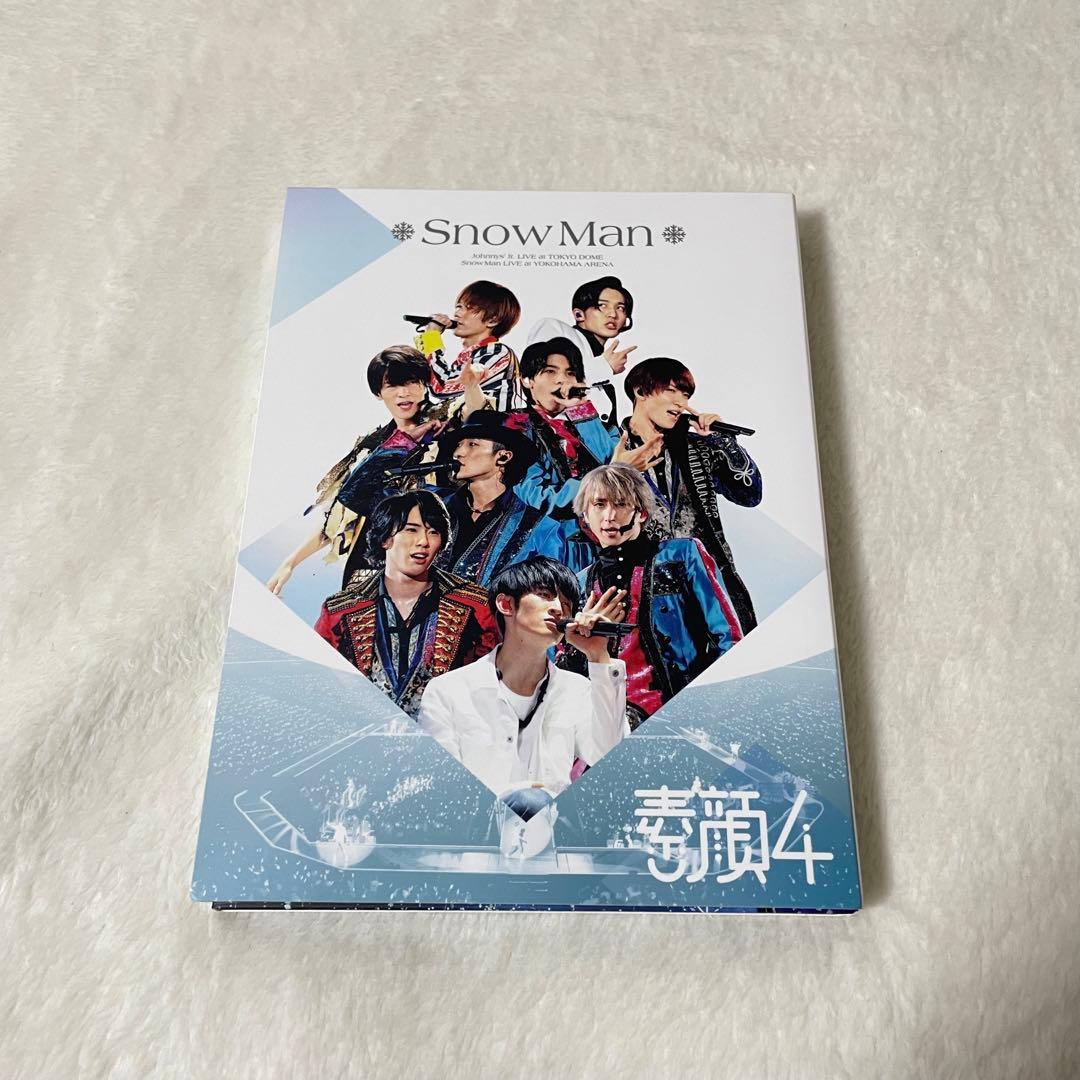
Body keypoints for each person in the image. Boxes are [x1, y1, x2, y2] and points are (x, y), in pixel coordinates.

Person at [417, 558, 629, 815]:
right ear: (506, 604)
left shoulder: (577, 690)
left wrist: (598, 656)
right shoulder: (448, 691)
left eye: (566, 605)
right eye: (544, 595)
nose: (558, 609)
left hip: (550, 833)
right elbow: (442, 788)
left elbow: (610, 755)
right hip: (476, 833)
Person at [566, 464, 743, 730]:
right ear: (585, 517)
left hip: (685, 717)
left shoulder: (682, 554)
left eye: (621, 504)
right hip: (609, 725)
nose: (609, 516)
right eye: (599, 505)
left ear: (642, 512)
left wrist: (711, 709)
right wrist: (580, 642)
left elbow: (729, 637)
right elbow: (566, 675)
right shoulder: (579, 584)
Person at [267, 346, 449, 594]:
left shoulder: (444, 426)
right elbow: (340, 516)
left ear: (425, 384)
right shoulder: (370, 445)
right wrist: (290, 563)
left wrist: (432, 335)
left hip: (426, 562)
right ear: (378, 393)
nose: (403, 393)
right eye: (392, 385)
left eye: (411, 382)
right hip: (368, 564)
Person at [314, 491, 498, 719]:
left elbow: (491, 685)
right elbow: (319, 685)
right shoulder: (340, 610)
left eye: (434, 532)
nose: (424, 542)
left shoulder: (475, 605)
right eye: (411, 530)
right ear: (385, 538)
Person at [619, 356, 763, 632]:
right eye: (671, 391)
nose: (681, 403)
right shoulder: (611, 447)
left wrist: (722, 441)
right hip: (647, 591)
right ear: (640, 391)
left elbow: (750, 494)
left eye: (685, 395)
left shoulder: (698, 448)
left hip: (709, 585)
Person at [434, 410, 568, 586]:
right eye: (459, 444)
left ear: (503, 456)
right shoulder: (435, 507)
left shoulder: (542, 529)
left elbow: (549, 593)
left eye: (472, 444)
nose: (458, 453)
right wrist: (407, 443)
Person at [526, 275, 638, 421]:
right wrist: (604, 367)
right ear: (579, 314)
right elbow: (544, 383)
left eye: (620, 308)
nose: (613, 314)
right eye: (602, 306)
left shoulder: (600, 361)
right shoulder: (555, 329)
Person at [416, 280, 525, 412]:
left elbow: (443, 386)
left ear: (493, 320)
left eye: (469, 308)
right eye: (459, 306)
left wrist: (431, 337)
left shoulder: (497, 352)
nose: (457, 313)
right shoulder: (469, 356)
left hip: (494, 424)